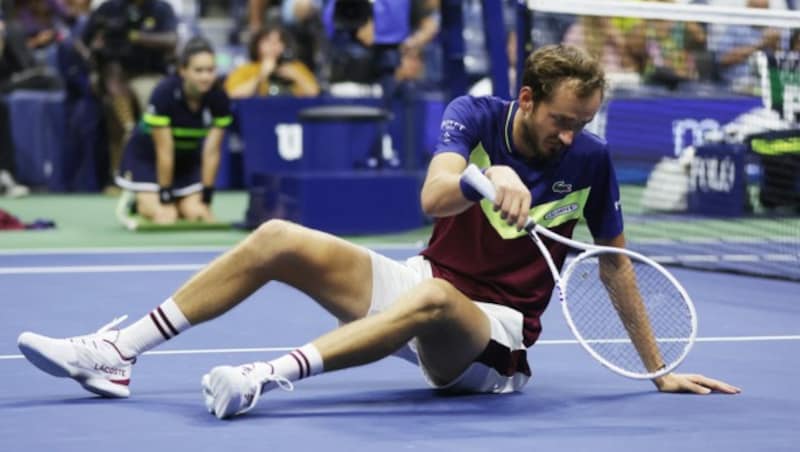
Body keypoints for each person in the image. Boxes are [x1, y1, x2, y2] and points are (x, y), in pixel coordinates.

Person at [16, 44, 740, 420]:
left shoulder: (591, 160)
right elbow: (432, 196)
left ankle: (263, 379)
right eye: (561, 120)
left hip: (491, 341)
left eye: (582, 123)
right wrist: (490, 180)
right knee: (276, 237)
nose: (570, 134)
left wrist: (657, 369)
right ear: (527, 99)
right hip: (426, 282)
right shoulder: (477, 116)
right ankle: (117, 353)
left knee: (432, 306)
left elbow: (613, 265)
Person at [113, 36, 231, 225]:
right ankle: (139, 202)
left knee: (197, 214)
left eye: (210, 70)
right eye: (198, 70)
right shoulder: (164, 93)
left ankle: (179, 200)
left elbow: (212, 152)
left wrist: (206, 198)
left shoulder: (219, 98)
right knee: (166, 216)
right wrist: (165, 198)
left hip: (185, 160)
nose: (206, 77)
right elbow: (164, 150)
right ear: (183, 70)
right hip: (148, 158)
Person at [223, 22, 319, 99]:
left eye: (278, 42)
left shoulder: (296, 68)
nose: (273, 46)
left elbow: (314, 94)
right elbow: (232, 95)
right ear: (257, 45)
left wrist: (297, 77)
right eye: (268, 41)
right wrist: (261, 76)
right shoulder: (246, 69)